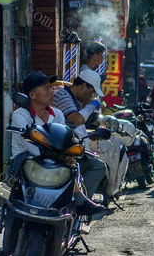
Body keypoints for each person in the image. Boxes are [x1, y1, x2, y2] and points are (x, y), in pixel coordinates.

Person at [11, 70, 103, 216]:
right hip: (26, 158)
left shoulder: (57, 114)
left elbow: (64, 139)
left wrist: (66, 154)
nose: (51, 91)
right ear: (32, 95)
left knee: (73, 165)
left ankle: (73, 203)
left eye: (51, 87)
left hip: (54, 158)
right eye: (46, 88)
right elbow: (32, 148)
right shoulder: (20, 115)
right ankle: (79, 199)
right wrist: (59, 156)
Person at [51, 67, 109, 204]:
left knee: (97, 165)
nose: (90, 97)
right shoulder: (63, 96)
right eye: (90, 92)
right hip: (59, 150)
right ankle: (80, 203)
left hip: (71, 147)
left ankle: (80, 201)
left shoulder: (75, 100)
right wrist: (93, 104)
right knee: (97, 167)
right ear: (83, 86)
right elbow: (77, 119)